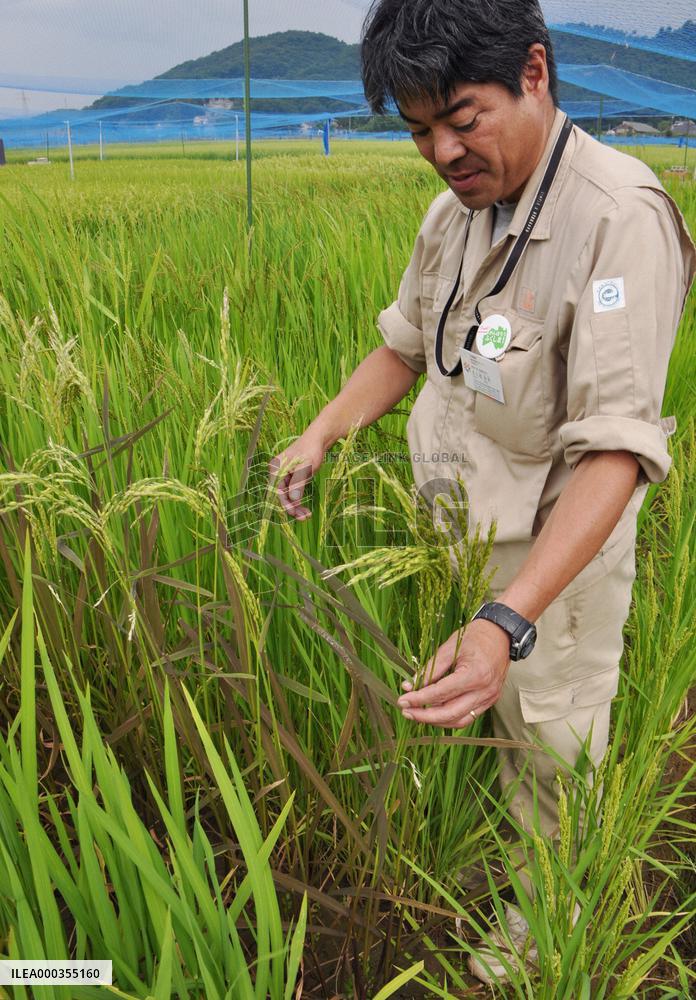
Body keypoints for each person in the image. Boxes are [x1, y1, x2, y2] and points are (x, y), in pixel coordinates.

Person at [269, 0, 695, 982]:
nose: (442, 151)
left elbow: (617, 452)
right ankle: (516, 878)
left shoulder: (616, 220)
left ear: (534, 72)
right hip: (458, 532)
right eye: (419, 130)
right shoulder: (455, 211)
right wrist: (323, 429)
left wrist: (508, 617)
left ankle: (561, 939)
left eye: (463, 118)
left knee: (554, 747)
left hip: (553, 566)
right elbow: (408, 345)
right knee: (495, 738)